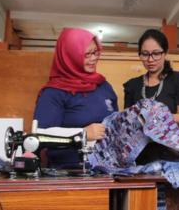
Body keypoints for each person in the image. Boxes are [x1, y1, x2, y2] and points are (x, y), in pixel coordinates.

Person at [123, 29, 179, 210]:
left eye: (156, 53)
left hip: (171, 155)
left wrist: (149, 117)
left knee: (169, 206)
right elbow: (128, 121)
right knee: (141, 205)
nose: (150, 59)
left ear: (165, 53)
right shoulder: (132, 85)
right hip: (140, 156)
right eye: (145, 54)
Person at [33, 28, 118, 169]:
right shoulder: (54, 92)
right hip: (67, 173)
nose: (94, 58)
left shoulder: (103, 85)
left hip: (106, 169)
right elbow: (40, 137)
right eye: (87, 54)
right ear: (70, 56)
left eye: (96, 52)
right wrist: (82, 134)